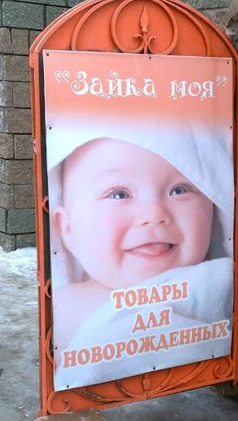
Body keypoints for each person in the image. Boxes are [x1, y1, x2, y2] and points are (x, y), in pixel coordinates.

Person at [49, 137, 216, 349]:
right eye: (119, 195)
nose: (154, 214)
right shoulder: (62, 308)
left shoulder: (219, 283)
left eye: (179, 190)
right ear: (68, 229)